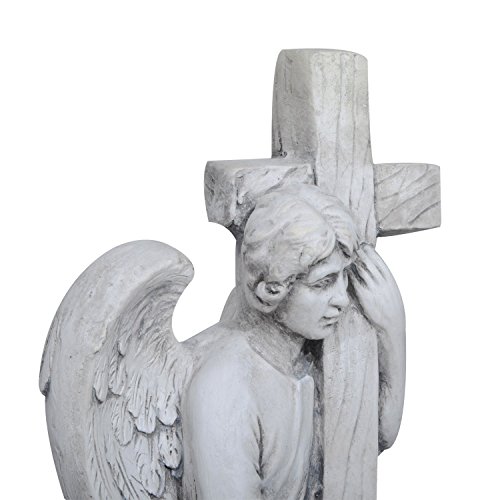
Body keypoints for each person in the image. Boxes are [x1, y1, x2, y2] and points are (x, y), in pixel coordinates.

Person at [182, 185, 405, 500]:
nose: (343, 299)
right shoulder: (226, 384)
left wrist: (392, 328)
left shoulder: (312, 358)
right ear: (271, 290)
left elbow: (372, 437)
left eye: (344, 276)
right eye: (323, 283)